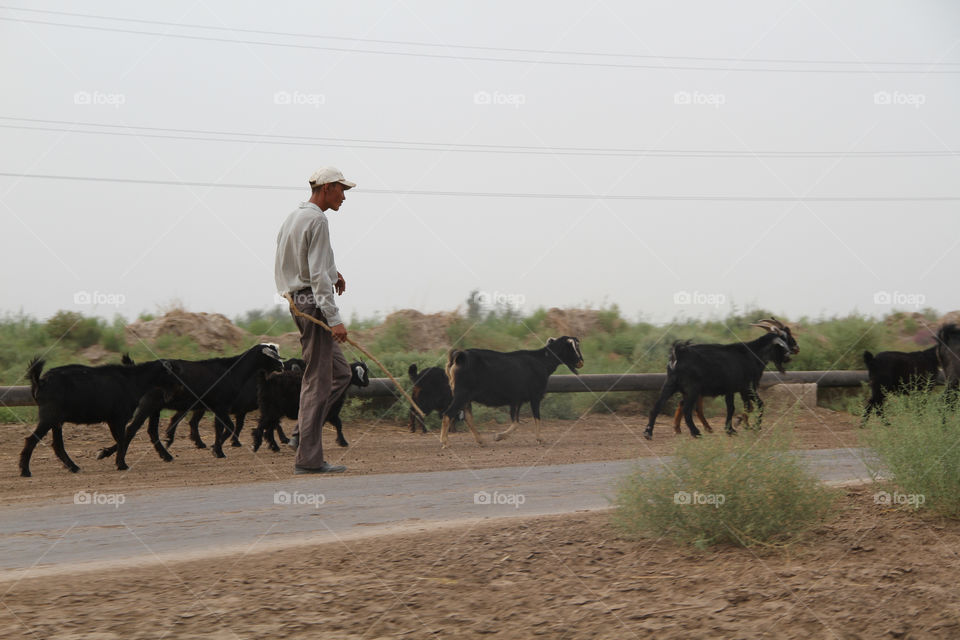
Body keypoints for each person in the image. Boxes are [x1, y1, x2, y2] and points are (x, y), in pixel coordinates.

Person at [274, 167, 356, 474]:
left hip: (299, 301)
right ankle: (308, 460)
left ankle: (301, 433)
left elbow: (297, 261)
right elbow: (318, 276)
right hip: (313, 304)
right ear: (327, 188)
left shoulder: (294, 217)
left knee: (341, 373)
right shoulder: (318, 220)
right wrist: (334, 318)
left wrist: (333, 273)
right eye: (341, 190)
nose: (344, 197)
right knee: (317, 381)